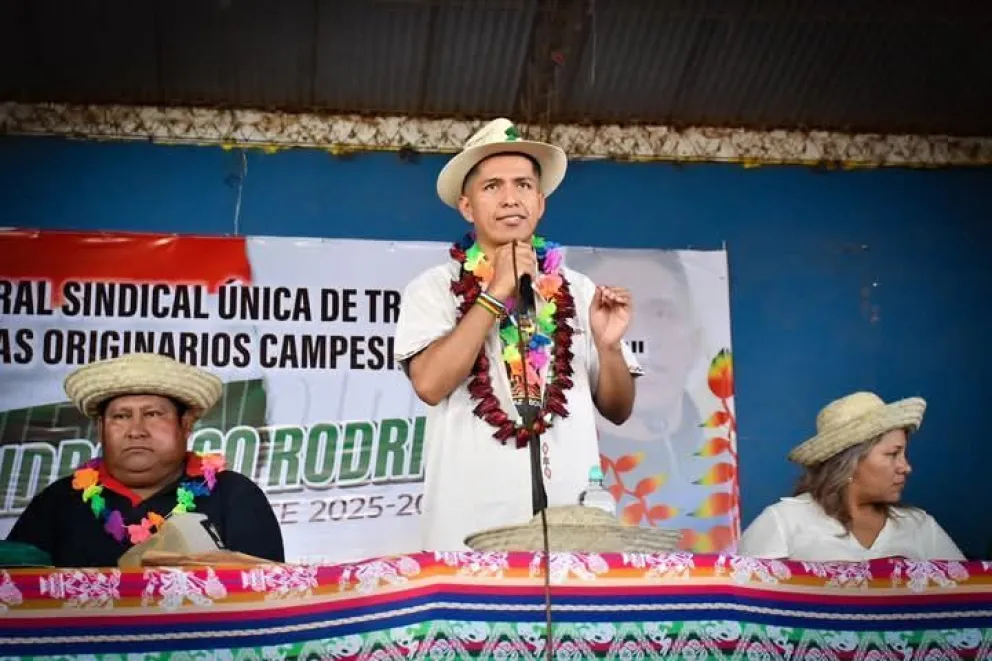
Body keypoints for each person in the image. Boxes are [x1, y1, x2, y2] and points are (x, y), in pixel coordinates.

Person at [395, 117, 642, 551]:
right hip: (469, 531)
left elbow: (618, 409)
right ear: (467, 206)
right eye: (492, 186)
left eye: (523, 185)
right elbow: (430, 384)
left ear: (541, 202)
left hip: (573, 531)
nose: (511, 199)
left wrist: (609, 347)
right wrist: (495, 294)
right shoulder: (432, 287)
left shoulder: (579, 289)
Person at [6, 352, 285, 567]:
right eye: (121, 417)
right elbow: (12, 596)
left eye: (152, 414)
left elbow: (269, 593)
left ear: (185, 425)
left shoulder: (234, 495)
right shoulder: (58, 501)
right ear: (100, 429)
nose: (136, 431)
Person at [737, 391, 964, 561]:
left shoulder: (920, 526)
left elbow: (967, 601)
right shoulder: (784, 523)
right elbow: (749, 613)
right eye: (893, 454)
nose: (906, 467)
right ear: (849, 464)